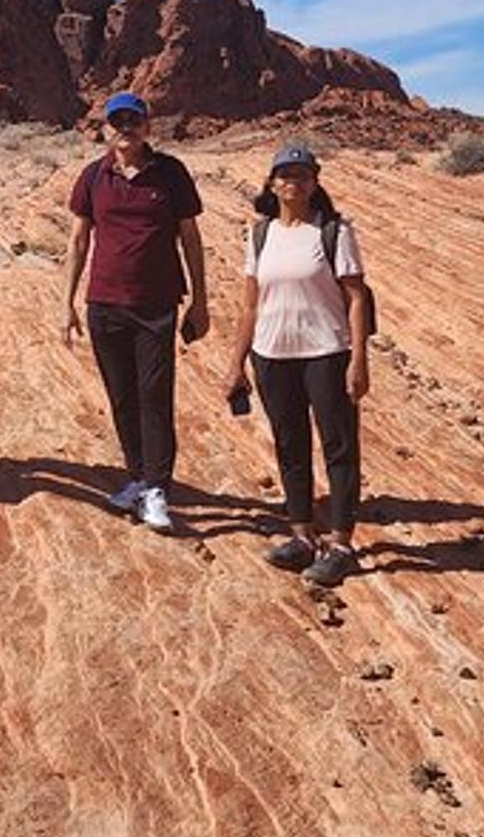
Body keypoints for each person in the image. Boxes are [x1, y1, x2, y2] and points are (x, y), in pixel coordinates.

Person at [223, 142, 370, 587]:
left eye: (302, 174)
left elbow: (357, 297)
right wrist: (236, 363)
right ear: (272, 183)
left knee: (339, 447)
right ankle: (303, 535)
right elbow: (250, 305)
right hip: (272, 354)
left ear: (315, 182)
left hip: (326, 352)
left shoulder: (334, 231)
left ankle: (341, 544)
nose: (293, 181)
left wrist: (359, 359)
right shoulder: (260, 234)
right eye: (285, 174)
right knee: (290, 446)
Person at [62, 92, 209, 534]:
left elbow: (191, 238)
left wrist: (201, 300)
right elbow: (77, 242)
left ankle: (158, 487)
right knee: (122, 397)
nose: (125, 128)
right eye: (117, 121)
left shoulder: (170, 174)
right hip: (104, 303)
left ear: (148, 126)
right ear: (106, 128)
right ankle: (138, 478)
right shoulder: (93, 176)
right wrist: (65, 303)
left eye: (134, 120)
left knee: (154, 395)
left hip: (156, 304)